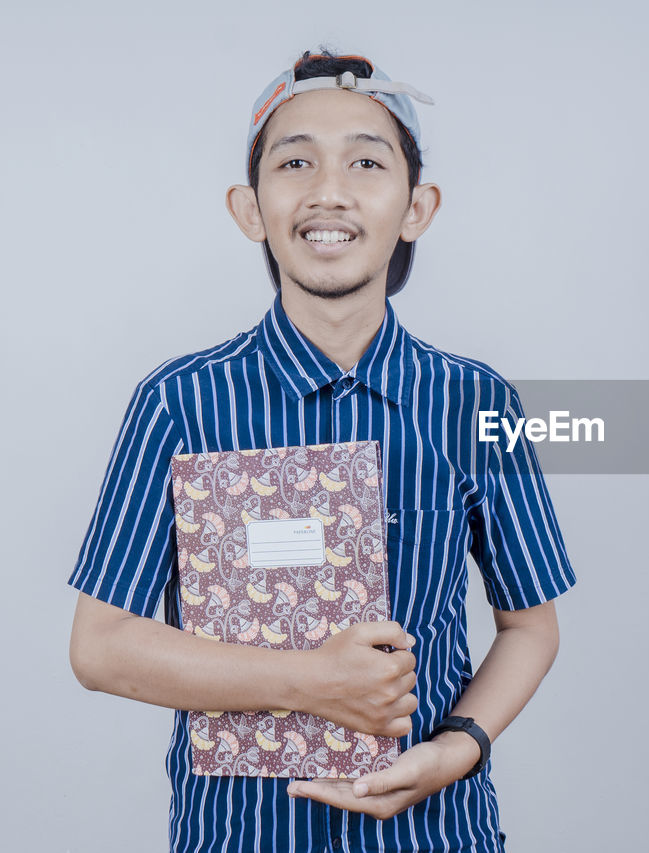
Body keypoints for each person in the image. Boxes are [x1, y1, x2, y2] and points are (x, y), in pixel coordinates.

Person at [67, 47, 577, 853]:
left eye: (366, 162)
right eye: (295, 161)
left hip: (436, 834)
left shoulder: (479, 403)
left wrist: (460, 747)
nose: (328, 191)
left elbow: (530, 626)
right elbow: (100, 647)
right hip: (238, 835)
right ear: (249, 207)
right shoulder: (176, 403)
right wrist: (313, 680)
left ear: (417, 207)